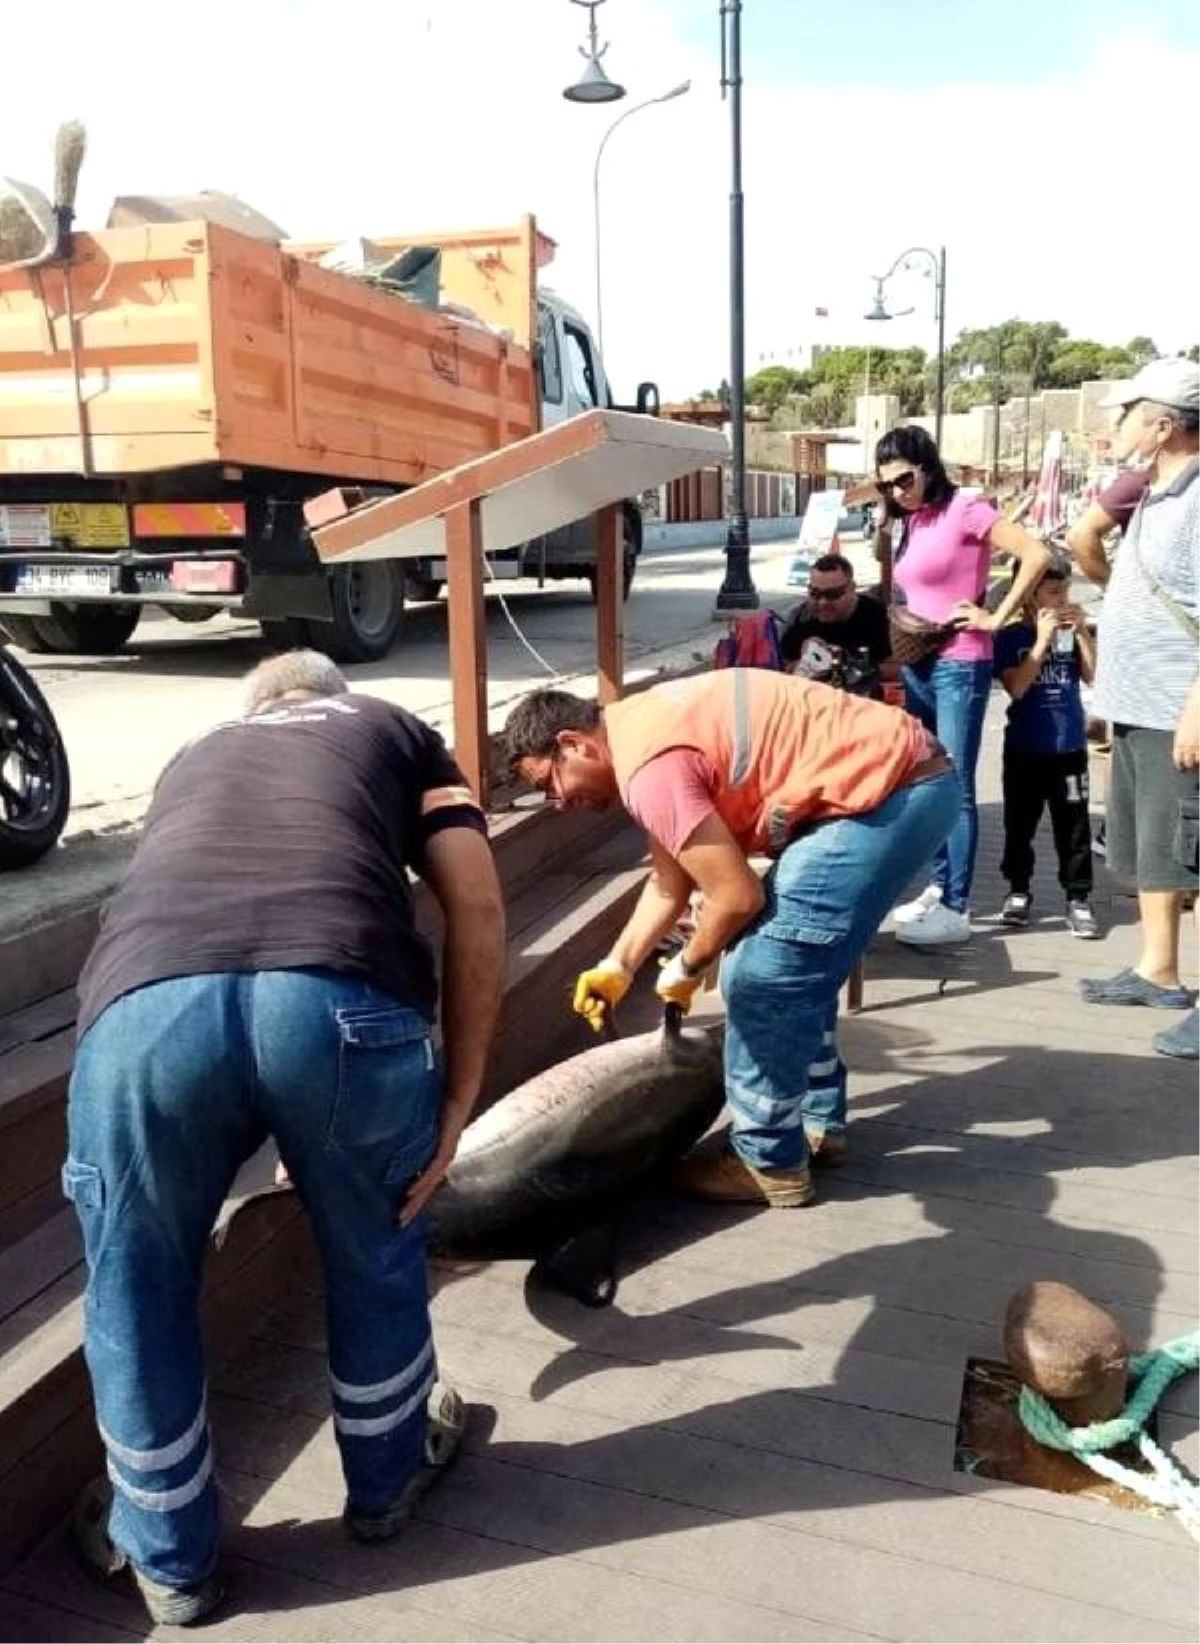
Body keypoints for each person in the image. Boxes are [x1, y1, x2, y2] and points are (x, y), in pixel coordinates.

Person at [63, 651, 505, 1626]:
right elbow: (473, 897)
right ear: (327, 698)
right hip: (342, 996)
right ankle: (387, 1479)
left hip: (145, 1011)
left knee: (135, 1279)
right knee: (374, 1241)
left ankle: (165, 1550)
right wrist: (461, 1096)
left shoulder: (195, 754)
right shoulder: (393, 728)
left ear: (258, 708)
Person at [503, 670, 959, 1208]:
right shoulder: (639, 733)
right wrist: (618, 965)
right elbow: (668, 882)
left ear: (573, 744)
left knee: (762, 976)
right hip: (907, 784)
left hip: (889, 795)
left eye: (547, 785)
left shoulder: (649, 767)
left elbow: (736, 897)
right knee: (795, 969)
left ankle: (767, 1162)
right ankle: (816, 1123)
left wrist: (688, 965)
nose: (557, 802)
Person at [875, 426, 1050, 946]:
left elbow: (1035, 555)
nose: (897, 490)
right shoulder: (913, 519)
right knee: (925, 778)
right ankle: (939, 885)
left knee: (956, 786)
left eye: (904, 479)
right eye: (887, 485)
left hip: (959, 661)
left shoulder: (965, 509)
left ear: (927, 465)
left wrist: (995, 616)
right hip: (918, 661)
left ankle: (957, 907)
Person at [1079, 358, 1200, 1058]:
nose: (1116, 423)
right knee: (1156, 847)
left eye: (1128, 413)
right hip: (1140, 704)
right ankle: (1159, 968)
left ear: (1163, 425)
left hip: (1178, 707)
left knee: (1193, 852)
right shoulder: (1156, 490)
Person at [993, 562, 1099, 937]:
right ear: (1028, 597)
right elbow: (1017, 687)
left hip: (1069, 746)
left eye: (1064, 591)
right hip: (1025, 747)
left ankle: (1078, 897)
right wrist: (1040, 642)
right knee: (1019, 824)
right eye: (1053, 592)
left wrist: (1083, 632)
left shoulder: (1071, 632)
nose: (1061, 599)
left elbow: (1092, 675)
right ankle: (1018, 890)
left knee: (1073, 826)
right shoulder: (1008, 639)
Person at [778, 552, 894, 695]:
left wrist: (851, 669)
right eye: (814, 593)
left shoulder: (877, 616)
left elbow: (902, 669)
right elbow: (780, 670)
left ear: (852, 588)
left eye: (833, 594)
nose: (823, 602)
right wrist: (804, 663)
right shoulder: (799, 620)